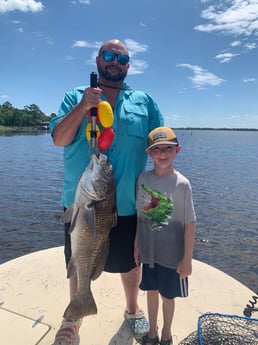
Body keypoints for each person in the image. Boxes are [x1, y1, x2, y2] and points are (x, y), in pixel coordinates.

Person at [50, 38, 164, 344]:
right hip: (82, 204)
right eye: (109, 55)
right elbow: (59, 138)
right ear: (98, 60)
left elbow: (159, 150)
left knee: (131, 263)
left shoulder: (145, 102)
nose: (114, 62)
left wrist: (161, 200)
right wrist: (83, 106)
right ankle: (72, 318)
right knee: (79, 262)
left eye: (121, 58)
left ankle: (132, 309)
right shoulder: (74, 96)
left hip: (128, 204)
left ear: (128, 66)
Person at [134, 127, 196, 345]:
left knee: (168, 296)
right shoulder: (143, 178)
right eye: (156, 149)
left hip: (172, 255)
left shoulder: (182, 184)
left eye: (168, 149)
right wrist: (136, 244)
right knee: (151, 291)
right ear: (149, 153)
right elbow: (140, 214)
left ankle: (167, 334)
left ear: (177, 150)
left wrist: (187, 258)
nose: (162, 154)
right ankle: (152, 331)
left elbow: (190, 223)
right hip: (149, 251)